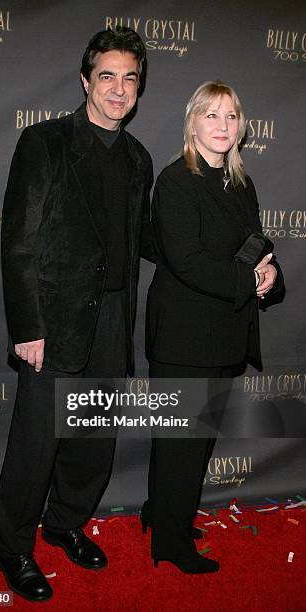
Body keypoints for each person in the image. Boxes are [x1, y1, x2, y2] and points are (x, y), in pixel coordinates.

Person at [0, 27, 153, 602]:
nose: (117, 89)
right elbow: (19, 242)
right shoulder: (46, 142)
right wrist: (27, 326)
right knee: (36, 446)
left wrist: (243, 249)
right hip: (53, 321)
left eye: (129, 78)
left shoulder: (138, 159)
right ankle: (12, 549)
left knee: (92, 443)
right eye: (106, 76)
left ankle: (63, 524)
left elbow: (149, 240)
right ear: (86, 81)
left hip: (112, 318)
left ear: (138, 89)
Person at [142, 80, 284, 574]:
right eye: (212, 115)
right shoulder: (177, 180)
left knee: (192, 441)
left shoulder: (241, 182)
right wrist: (250, 278)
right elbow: (187, 261)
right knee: (182, 443)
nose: (223, 126)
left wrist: (269, 274)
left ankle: (160, 513)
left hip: (224, 331)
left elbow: (256, 245)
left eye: (231, 116)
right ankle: (171, 543)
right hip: (184, 335)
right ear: (193, 123)